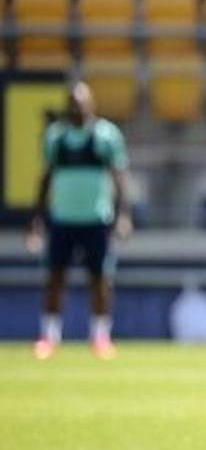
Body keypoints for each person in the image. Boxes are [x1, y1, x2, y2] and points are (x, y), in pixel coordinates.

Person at [27, 81, 132, 360]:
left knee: (100, 279)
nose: (76, 108)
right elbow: (45, 179)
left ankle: (100, 336)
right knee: (55, 277)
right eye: (72, 103)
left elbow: (119, 177)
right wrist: (36, 220)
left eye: (81, 102)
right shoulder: (56, 137)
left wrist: (123, 214)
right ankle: (49, 336)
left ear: (92, 105)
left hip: (96, 219)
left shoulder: (106, 136)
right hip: (63, 218)